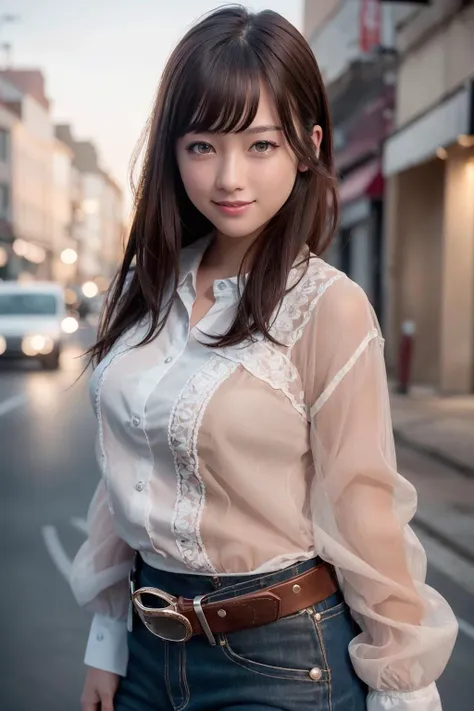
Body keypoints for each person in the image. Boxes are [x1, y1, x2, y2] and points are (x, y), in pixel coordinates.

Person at [70, 6, 457, 711]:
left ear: (307, 147)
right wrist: (108, 636)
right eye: (200, 145)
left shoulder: (327, 308)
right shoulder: (143, 288)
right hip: (148, 653)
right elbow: (120, 466)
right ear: (171, 150)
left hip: (281, 658)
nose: (227, 176)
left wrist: (405, 688)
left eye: (260, 144)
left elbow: (363, 504)